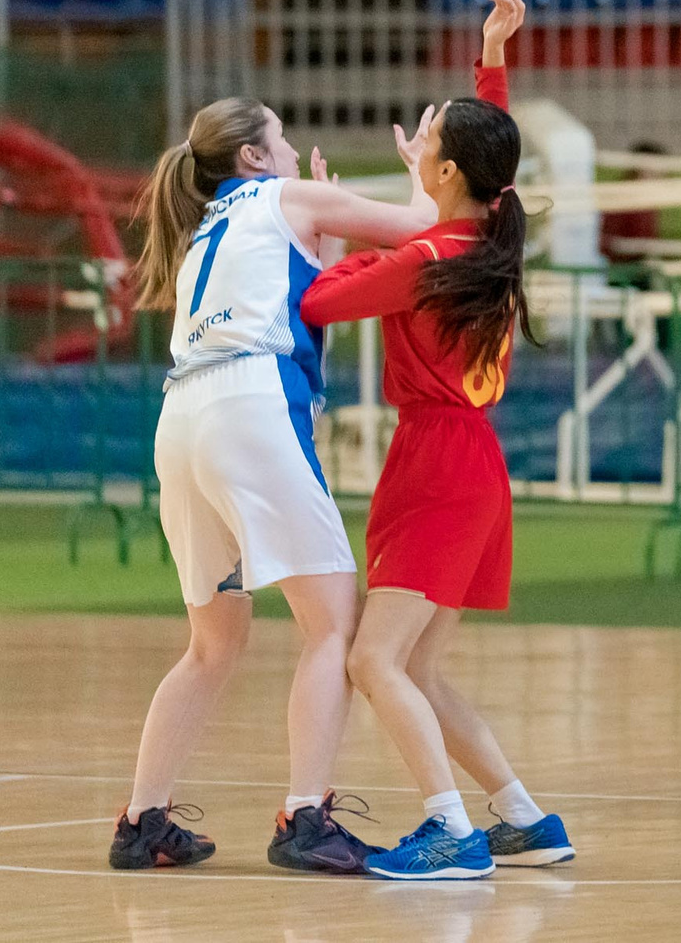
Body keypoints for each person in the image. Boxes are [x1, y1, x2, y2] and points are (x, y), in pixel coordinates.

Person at [110, 94, 445, 874]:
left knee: (212, 643)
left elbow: (289, 291)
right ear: (254, 157)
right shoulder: (285, 195)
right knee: (333, 624)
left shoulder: (206, 230)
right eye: (283, 139)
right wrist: (421, 167)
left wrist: (319, 240)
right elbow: (422, 228)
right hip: (250, 406)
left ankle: (142, 818)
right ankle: (305, 813)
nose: (295, 152)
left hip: (182, 418)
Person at [301, 0, 575, 882]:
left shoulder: (426, 260)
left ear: (447, 172)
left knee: (371, 658)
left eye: (428, 141)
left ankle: (450, 829)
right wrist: (490, 58)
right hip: (475, 466)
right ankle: (523, 817)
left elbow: (321, 301)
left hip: (435, 462)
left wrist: (349, 227)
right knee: (414, 665)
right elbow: (489, 152)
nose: (415, 141)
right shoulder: (490, 230)